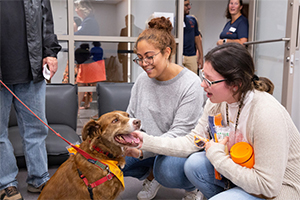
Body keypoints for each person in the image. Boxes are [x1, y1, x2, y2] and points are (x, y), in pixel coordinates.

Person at [126, 43, 300, 200]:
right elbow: (192, 141)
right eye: (203, 76)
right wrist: (145, 141)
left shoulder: (266, 114)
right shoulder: (217, 102)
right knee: (194, 164)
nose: (202, 85)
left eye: (209, 80)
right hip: (242, 173)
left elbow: (268, 187)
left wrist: (217, 157)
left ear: (236, 84)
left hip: (276, 191)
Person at [123, 17, 204, 200]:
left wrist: (143, 150)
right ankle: (151, 176)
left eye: (150, 57)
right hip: (145, 144)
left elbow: (179, 135)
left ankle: (193, 186)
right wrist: (123, 140)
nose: (144, 64)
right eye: (140, 58)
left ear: (167, 52)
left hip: (176, 149)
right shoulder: (143, 80)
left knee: (167, 170)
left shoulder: (191, 84)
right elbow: (132, 116)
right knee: (112, 160)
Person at [0, 1, 61, 199]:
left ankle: (39, 178)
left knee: (36, 129)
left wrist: (50, 53)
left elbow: (47, 22)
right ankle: (6, 183)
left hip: (32, 69)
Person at [75, 44, 106, 110]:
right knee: (96, 88)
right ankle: (98, 108)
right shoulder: (94, 51)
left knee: (81, 88)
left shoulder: (79, 51)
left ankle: (77, 108)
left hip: (85, 68)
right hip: (94, 66)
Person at [117, 14, 142, 82]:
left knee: (131, 73)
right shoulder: (125, 30)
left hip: (133, 56)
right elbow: (120, 44)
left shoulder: (137, 30)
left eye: (127, 20)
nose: (126, 22)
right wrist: (120, 56)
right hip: (128, 56)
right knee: (127, 73)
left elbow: (120, 44)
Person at [183, 0, 204, 74]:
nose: (189, 7)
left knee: (193, 78)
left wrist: (201, 56)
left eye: (189, 4)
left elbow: (197, 38)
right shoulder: (174, 21)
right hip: (179, 55)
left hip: (191, 56)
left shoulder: (192, 20)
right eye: (186, 5)